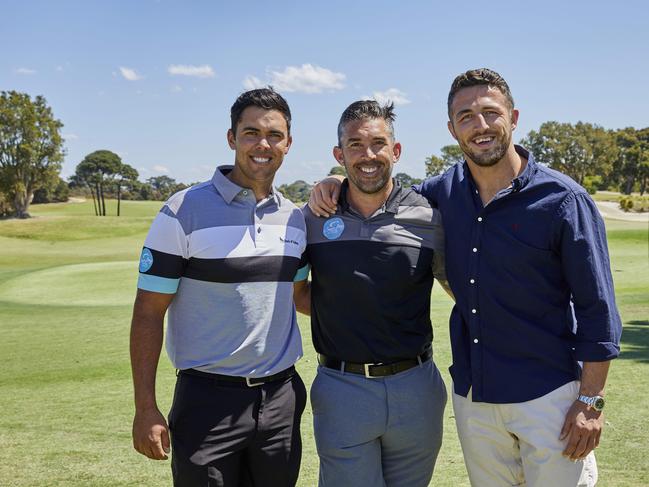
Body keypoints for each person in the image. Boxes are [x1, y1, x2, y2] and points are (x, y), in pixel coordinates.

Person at [308, 69, 622, 487]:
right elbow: (378, 190)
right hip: (475, 398)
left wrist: (590, 401)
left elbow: (598, 310)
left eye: (490, 112)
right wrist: (334, 181)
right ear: (452, 128)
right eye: (466, 116)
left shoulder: (564, 199)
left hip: (550, 395)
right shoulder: (441, 194)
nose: (481, 126)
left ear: (513, 117)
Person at [130, 87, 308, 487]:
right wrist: (146, 407)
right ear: (232, 138)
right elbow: (148, 311)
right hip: (206, 401)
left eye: (275, 135)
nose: (263, 144)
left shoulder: (295, 218)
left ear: (288, 144)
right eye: (251, 133)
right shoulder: (182, 210)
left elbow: (301, 297)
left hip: (281, 398)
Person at [294, 100, 449, 487]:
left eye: (378, 143)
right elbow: (299, 294)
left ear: (395, 151)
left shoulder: (429, 217)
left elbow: (460, 289)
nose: (368, 155)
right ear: (339, 154)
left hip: (416, 389)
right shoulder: (312, 217)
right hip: (341, 388)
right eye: (355, 144)